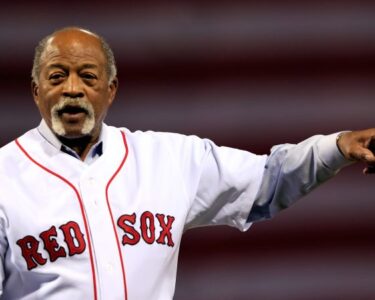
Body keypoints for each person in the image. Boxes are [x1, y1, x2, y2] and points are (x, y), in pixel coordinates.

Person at [0, 26, 374, 300]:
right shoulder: (5, 175)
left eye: (88, 76)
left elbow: (269, 180)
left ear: (110, 91)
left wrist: (338, 146)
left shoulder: (167, 159)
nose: (72, 88)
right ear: (36, 91)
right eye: (57, 76)